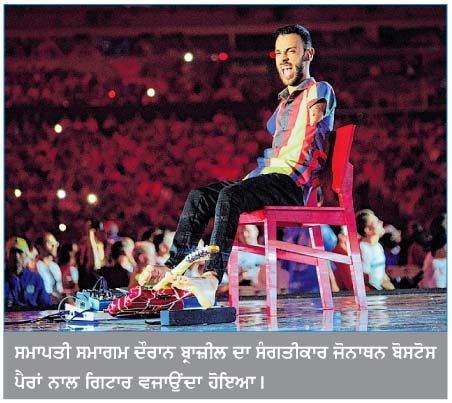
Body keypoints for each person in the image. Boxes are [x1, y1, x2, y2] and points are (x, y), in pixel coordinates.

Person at [139, 24, 336, 308]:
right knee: (200, 196)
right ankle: (173, 267)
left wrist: (315, 113)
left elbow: (318, 114)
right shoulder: (282, 106)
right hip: (271, 178)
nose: (283, 58)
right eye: (279, 52)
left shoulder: (319, 89)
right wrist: (249, 180)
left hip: (292, 185)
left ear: (308, 55)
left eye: (291, 51)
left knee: (230, 196)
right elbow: (275, 155)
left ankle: (210, 280)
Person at [5, 237, 52, 308]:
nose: (17, 256)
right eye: (12, 252)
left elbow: (47, 306)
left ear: (26, 255)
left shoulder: (35, 279)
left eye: (20, 252)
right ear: (6, 255)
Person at [355, 209, 395, 291]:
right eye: (376, 222)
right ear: (368, 230)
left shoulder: (378, 246)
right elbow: (365, 278)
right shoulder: (363, 248)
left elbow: (381, 273)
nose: (381, 222)